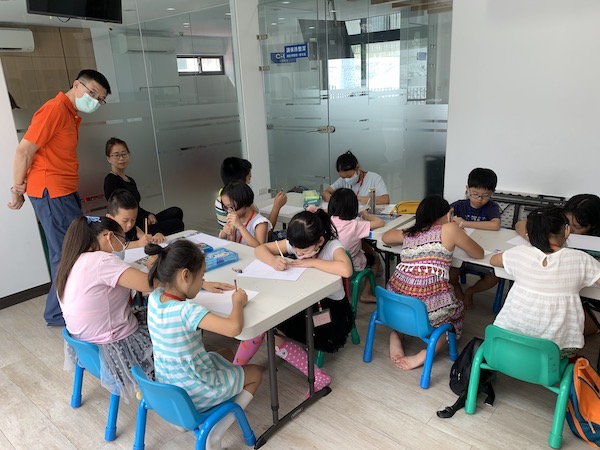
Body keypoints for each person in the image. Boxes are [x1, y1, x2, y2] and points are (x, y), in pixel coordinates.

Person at [8, 69, 111, 326]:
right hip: (51, 192)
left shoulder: (70, 114)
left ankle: (66, 307)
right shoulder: (54, 109)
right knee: (67, 253)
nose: (95, 101)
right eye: (92, 93)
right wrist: (17, 189)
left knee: (72, 249)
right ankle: (57, 313)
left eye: (100, 99)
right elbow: (24, 151)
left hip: (63, 190)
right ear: (76, 85)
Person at [145, 240, 262, 449]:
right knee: (256, 373)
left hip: (169, 387)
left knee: (226, 353)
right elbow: (234, 328)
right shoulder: (187, 311)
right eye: (202, 277)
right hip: (195, 391)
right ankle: (215, 431)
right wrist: (237, 303)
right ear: (185, 275)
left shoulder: (154, 298)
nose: (202, 283)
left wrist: (203, 285)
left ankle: (184, 420)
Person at [233, 209, 353, 393]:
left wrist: (311, 262)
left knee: (267, 328)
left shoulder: (331, 246)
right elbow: (260, 249)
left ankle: (234, 374)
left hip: (330, 314)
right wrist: (273, 261)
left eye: (303, 252)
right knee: (264, 323)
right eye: (296, 251)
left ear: (319, 242)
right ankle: (234, 372)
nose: (299, 254)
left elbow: (346, 269)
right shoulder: (299, 242)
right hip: (305, 303)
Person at [55, 216, 154, 400]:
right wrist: (152, 265)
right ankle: (167, 383)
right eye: (123, 240)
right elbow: (151, 284)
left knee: (142, 311)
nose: (123, 246)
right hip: (116, 349)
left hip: (85, 348)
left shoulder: (72, 260)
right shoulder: (102, 260)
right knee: (168, 320)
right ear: (110, 237)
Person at [382, 194, 484, 371]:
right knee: (454, 317)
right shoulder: (450, 228)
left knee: (409, 306)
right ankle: (425, 353)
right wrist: (457, 231)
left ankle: (396, 335)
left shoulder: (410, 233)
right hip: (428, 300)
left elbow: (385, 237)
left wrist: (411, 231)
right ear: (447, 214)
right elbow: (479, 253)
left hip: (396, 300)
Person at [491, 206, 600, 357]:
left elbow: (494, 260)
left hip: (509, 337)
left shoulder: (519, 253)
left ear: (529, 234)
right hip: (557, 346)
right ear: (566, 230)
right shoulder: (581, 259)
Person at [103, 137, 184, 237]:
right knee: (177, 224)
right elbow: (119, 212)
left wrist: (148, 214)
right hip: (133, 227)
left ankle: (164, 239)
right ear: (108, 158)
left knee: (176, 211)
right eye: (116, 155)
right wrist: (143, 221)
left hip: (142, 220)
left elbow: (136, 206)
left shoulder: (129, 180)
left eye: (124, 154)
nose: (121, 158)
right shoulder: (110, 180)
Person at [449, 168, 502, 309]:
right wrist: (450, 217)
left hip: (485, 250)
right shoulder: (460, 205)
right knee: (450, 270)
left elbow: (495, 225)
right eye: (475, 194)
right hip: (462, 250)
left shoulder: (491, 207)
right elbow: (445, 215)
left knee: (495, 277)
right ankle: (457, 288)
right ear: (467, 189)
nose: (479, 199)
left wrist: (464, 223)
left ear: (492, 192)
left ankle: (471, 291)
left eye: (485, 196)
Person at [328, 188, 384, 302]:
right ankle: (365, 294)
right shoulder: (355, 225)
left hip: (331, 262)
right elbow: (380, 222)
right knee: (376, 259)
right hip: (351, 265)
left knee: (360, 241)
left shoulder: (329, 221)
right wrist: (366, 215)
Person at [215, 156, 287, 232]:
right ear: (240, 183)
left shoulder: (221, 199)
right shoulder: (240, 204)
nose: (249, 182)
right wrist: (277, 206)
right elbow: (266, 233)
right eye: (249, 178)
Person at [321, 150, 389, 205]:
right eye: (343, 177)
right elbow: (325, 193)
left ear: (357, 167)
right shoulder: (342, 180)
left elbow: (385, 200)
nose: (346, 180)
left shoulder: (374, 178)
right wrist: (335, 202)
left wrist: (356, 199)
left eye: (349, 176)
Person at [218, 181, 271, 247]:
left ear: (243, 202)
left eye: (231, 207)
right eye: (226, 207)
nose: (229, 211)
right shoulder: (236, 216)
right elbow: (223, 239)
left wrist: (241, 227)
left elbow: (260, 248)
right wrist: (224, 232)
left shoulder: (260, 223)